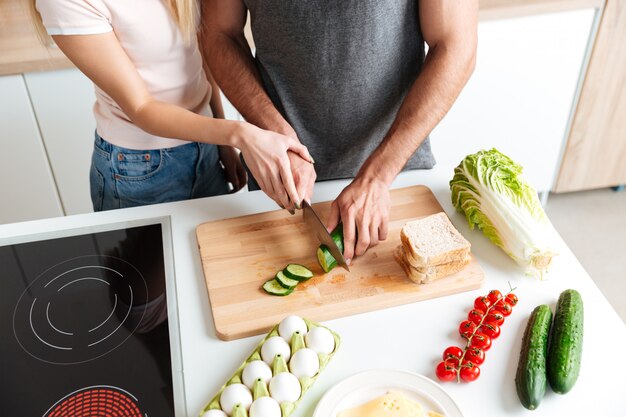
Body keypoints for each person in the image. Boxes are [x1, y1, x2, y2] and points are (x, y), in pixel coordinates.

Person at [202, 0, 478, 265]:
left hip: (396, 177)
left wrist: (377, 176)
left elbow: (455, 45)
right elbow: (220, 34)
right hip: (280, 176)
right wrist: (277, 134)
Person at [29, 0, 313, 211]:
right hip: (137, 169)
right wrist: (238, 134)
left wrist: (223, 141)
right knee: (149, 290)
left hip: (206, 148)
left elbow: (197, 56)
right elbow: (142, 108)